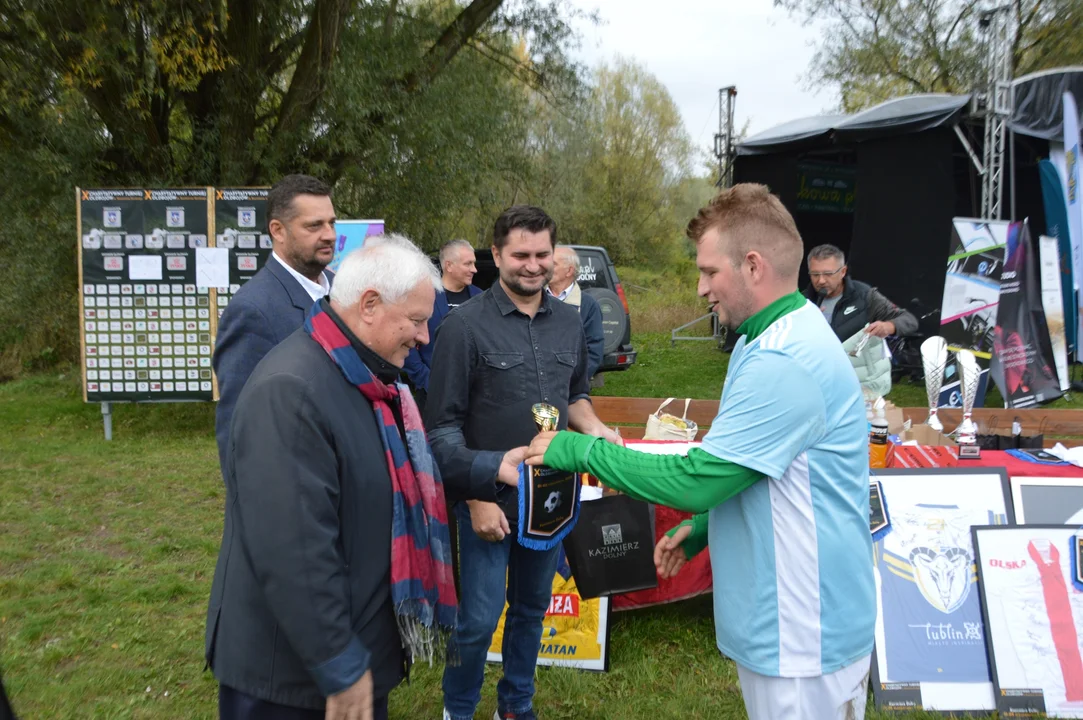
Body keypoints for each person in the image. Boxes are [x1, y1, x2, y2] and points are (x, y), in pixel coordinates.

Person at [524, 185, 875, 720]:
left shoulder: (786, 357)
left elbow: (699, 478)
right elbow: (760, 468)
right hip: (790, 622)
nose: (700, 287)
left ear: (753, 266)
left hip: (803, 631)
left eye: (711, 271)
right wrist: (708, 526)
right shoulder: (768, 338)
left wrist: (580, 448)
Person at [205, 235, 457, 720]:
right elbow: (294, 547)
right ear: (369, 305)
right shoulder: (293, 392)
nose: (425, 337)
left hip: (345, 657)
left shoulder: (364, 380)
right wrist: (337, 662)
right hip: (294, 678)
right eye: (418, 320)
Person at [425, 206, 620, 720]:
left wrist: (596, 429)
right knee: (479, 619)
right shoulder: (462, 327)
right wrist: (475, 493)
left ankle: (514, 706)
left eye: (541, 254)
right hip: (488, 499)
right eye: (520, 255)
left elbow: (574, 394)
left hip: (550, 496)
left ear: (554, 255)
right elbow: (442, 428)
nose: (532, 266)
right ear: (497, 256)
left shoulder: (571, 322)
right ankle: (458, 710)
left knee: (532, 610)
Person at [213, 174, 337, 477]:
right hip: (297, 485)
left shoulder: (342, 288)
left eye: (332, 223)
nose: (330, 234)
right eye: (314, 225)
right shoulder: (252, 309)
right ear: (278, 231)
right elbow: (239, 431)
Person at [804, 243, 917, 396]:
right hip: (817, 382)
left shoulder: (865, 296)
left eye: (828, 274)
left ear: (843, 271)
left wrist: (888, 326)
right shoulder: (803, 301)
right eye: (815, 274)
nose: (821, 280)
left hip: (858, 383)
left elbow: (909, 320)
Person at [403, 239, 482, 409]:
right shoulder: (425, 296)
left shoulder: (482, 298)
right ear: (449, 265)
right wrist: (426, 380)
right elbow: (407, 339)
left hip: (474, 398)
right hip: (432, 397)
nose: (474, 269)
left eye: (474, 263)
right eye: (468, 264)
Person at [547, 245, 604, 379]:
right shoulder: (532, 298)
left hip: (570, 388)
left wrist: (573, 383)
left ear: (569, 271)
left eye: (553, 264)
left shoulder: (588, 305)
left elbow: (594, 352)